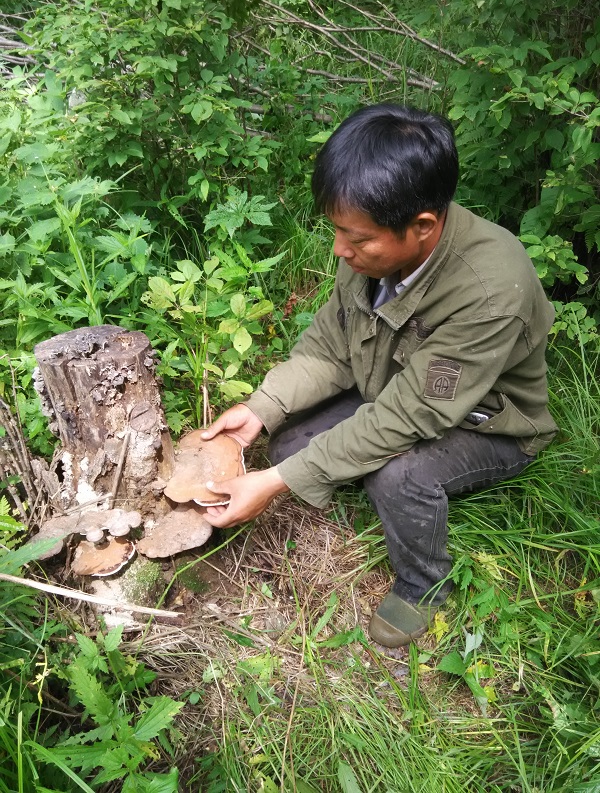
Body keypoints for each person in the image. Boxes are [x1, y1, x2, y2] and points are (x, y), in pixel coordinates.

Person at [201, 103, 558, 648]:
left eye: (358, 239)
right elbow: (331, 345)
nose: (342, 252)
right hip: (393, 383)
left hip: (490, 423)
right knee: (288, 441)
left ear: (422, 227)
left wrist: (275, 486)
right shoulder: (373, 249)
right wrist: (262, 408)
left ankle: (423, 584)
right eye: (338, 233)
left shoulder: (489, 291)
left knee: (397, 475)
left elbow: (413, 415)